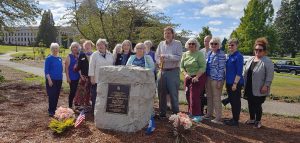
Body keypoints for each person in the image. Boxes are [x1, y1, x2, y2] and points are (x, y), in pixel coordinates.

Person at [243, 37, 274, 128]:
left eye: (260, 50)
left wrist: (266, 85)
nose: (257, 51)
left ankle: (258, 121)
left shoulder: (267, 61)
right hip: (249, 86)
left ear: (264, 51)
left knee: (257, 104)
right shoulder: (250, 59)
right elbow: (245, 71)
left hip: (260, 87)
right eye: (256, 49)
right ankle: (252, 119)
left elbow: (270, 75)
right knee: (250, 103)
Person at [155, 26, 183, 118]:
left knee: (173, 94)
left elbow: (179, 57)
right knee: (161, 93)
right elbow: (156, 57)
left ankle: (176, 116)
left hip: (173, 71)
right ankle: (162, 114)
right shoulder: (161, 44)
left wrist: (166, 57)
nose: (167, 35)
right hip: (162, 71)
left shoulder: (177, 43)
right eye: (165, 33)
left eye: (169, 33)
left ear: (172, 34)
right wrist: (160, 62)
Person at [180, 38, 206, 122]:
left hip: (197, 78)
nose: (191, 45)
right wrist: (185, 74)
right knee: (188, 95)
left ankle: (198, 115)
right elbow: (182, 67)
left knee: (194, 97)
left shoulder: (199, 54)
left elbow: (203, 67)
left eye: (193, 44)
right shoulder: (185, 54)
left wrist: (197, 77)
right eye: (189, 43)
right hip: (188, 77)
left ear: (196, 45)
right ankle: (191, 112)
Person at [204, 37, 226, 124]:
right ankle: (209, 114)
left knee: (216, 98)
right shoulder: (209, 53)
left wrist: (219, 81)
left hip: (216, 79)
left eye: (215, 43)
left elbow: (221, 69)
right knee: (209, 97)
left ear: (219, 45)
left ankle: (218, 117)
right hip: (208, 78)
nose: (213, 45)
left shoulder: (221, 54)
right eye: (212, 43)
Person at [89, 38, 114, 113]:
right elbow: (91, 67)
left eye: (102, 44)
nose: (100, 46)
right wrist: (92, 78)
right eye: (98, 45)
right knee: (95, 97)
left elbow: (112, 66)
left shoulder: (110, 55)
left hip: (107, 79)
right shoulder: (94, 55)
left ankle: (103, 112)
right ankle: (94, 112)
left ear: (105, 45)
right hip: (97, 79)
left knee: (105, 96)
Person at [224, 38, 244, 126]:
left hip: (235, 83)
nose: (230, 46)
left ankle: (236, 121)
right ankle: (234, 118)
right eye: (229, 45)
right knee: (232, 101)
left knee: (235, 102)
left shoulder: (238, 56)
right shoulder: (229, 55)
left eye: (232, 45)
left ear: (236, 46)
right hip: (228, 82)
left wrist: (235, 84)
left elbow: (239, 72)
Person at [74, 40, 94, 108]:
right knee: (81, 91)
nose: (87, 47)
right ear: (84, 47)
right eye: (85, 46)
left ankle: (88, 103)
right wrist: (77, 71)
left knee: (90, 91)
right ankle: (80, 105)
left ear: (91, 46)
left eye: (88, 45)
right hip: (84, 77)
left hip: (92, 77)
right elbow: (78, 66)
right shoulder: (82, 55)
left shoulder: (95, 55)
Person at [44, 43, 63, 117]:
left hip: (59, 80)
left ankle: (54, 109)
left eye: (56, 48)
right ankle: (51, 111)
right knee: (52, 95)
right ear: (51, 49)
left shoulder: (60, 58)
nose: (55, 50)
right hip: (51, 80)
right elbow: (46, 71)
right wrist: (49, 80)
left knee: (57, 95)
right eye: (54, 48)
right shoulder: (48, 58)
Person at [65, 42, 81, 108]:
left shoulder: (79, 56)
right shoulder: (69, 56)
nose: (75, 48)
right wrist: (68, 77)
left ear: (78, 48)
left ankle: (76, 104)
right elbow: (66, 69)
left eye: (76, 47)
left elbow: (80, 67)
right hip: (72, 77)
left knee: (77, 92)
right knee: (72, 91)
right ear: (71, 48)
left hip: (78, 77)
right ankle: (70, 106)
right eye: (73, 47)